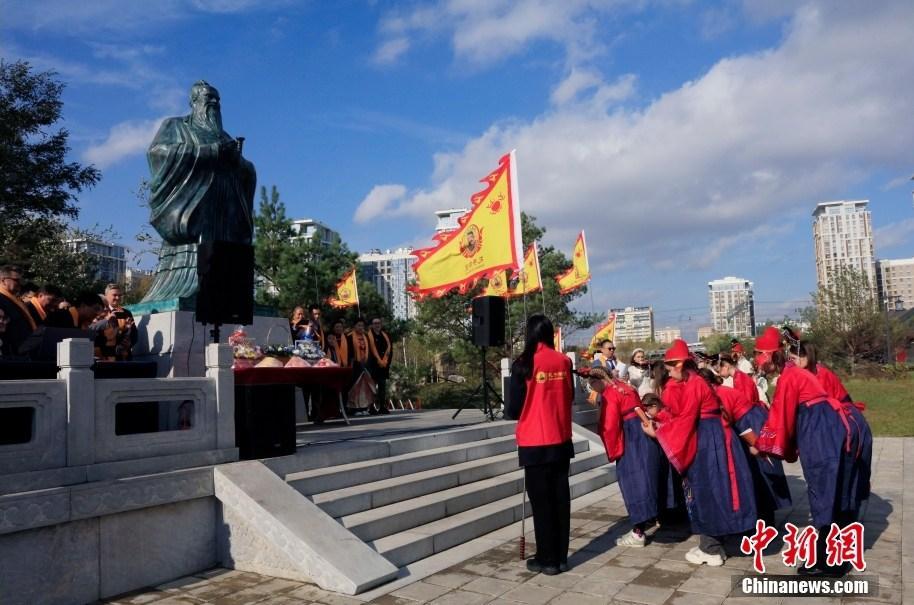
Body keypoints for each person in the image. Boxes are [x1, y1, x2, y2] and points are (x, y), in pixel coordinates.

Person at [754, 335, 872, 577]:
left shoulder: (790, 376)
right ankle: (835, 557)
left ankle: (828, 561)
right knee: (838, 492)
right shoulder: (799, 373)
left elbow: (780, 417)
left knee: (824, 493)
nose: (756, 360)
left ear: (769, 356)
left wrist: (764, 446)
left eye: (758, 354)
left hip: (822, 432)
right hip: (838, 428)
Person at [642, 339, 756, 567]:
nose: (667, 370)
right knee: (715, 490)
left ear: (680, 365)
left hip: (709, 440)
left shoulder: (694, 384)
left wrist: (660, 434)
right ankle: (713, 543)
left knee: (709, 491)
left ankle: (710, 548)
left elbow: (685, 420)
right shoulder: (692, 383)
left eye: (670, 364)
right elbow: (682, 415)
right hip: (711, 436)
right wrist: (663, 420)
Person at [141, 80, 256, 302]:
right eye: (208, 98)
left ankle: (232, 291)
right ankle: (190, 284)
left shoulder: (225, 137)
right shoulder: (176, 126)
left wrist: (240, 163)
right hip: (195, 202)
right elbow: (158, 153)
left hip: (225, 202)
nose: (214, 102)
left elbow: (246, 169)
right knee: (201, 247)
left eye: (217, 99)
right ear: (193, 101)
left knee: (228, 250)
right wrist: (210, 151)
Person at [505, 314, 574, 576]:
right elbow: (569, 397)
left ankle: (546, 559)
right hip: (560, 439)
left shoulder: (523, 364)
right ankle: (561, 557)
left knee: (542, 503)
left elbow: (513, 409)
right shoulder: (564, 361)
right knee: (560, 500)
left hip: (534, 441)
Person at [589, 366, 671, 547]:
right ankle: (651, 519)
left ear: (597, 381)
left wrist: (613, 450)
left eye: (591, 384)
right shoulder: (624, 386)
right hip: (642, 432)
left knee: (633, 483)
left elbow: (609, 426)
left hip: (631, 437)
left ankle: (638, 532)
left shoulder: (610, 393)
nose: (592, 388)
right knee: (649, 478)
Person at [698, 368, 791, 525]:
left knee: (762, 470)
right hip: (752, 421)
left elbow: (728, 420)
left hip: (751, 424)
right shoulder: (720, 390)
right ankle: (765, 517)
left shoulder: (719, 394)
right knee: (758, 471)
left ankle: (767, 519)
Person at [0, 265, 37, 356]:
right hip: (8, 355)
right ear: (3, 280)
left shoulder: (16, 300)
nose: (20, 283)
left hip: (23, 353)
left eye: (21, 280)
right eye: (16, 280)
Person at [96, 283, 137, 361]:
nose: (117, 298)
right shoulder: (98, 312)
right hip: (103, 357)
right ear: (106, 295)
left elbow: (134, 335)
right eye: (114, 295)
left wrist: (127, 344)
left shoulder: (127, 313)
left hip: (123, 358)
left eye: (119, 295)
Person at [367, 316, 392, 415]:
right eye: (375, 323)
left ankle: (382, 406)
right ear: (372, 325)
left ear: (381, 325)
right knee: (372, 387)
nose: (377, 325)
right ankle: (371, 407)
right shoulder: (368, 336)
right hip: (373, 365)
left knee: (382, 387)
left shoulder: (385, 336)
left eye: (378, 323)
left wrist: (387, 362)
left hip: (384, 366)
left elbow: (390, 350)